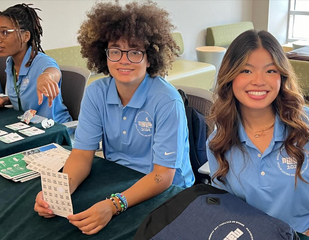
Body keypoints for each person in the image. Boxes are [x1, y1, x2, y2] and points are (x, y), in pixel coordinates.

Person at [34, 1, 194, 235]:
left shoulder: (166, 101)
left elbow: (163, 175)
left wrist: (114, 205)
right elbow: (81, 155)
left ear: (150, 58)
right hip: (116, 179)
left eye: (135, 51)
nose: (124, 60)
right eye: (115, 50)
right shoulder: (96, 92)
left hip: (165, 192)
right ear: (104, 55)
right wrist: (60, 190)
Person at [207, 29, 309, 240]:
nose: (258, 81)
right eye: (246, 71)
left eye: (270, 71)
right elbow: (226, 207)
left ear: (282, 77)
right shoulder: (218, 140)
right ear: (229, 77)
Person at [0, 4, 72, 123]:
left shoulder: (41, 61)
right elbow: (25, 97)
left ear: (26, 36)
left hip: (56, 130)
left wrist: (47, 77)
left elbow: (53, 71)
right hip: (29, 127)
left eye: (4, 32)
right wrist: (7, 99)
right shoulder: (10, 63)